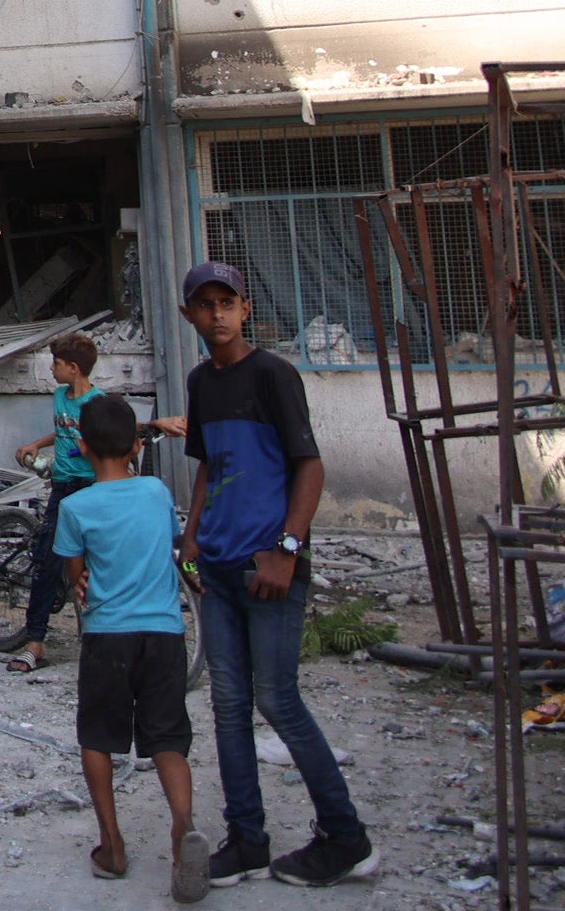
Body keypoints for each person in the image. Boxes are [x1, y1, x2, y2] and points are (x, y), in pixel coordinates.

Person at [179, 262, 379, 889]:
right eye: (204, 304)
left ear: (245, 309)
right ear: (189, 315)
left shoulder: (274, 375)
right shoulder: (199, 383)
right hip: (218, 565)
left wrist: (287, 549)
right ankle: (247, 840)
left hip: (269, 567)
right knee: (229, 705)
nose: (216, 314)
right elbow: (210, 464)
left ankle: (346, 838)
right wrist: (190, 534)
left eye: (227, 302)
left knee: (277, 699)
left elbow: (309, 466)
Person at [54, 393, 208, 901]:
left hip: (107, 636)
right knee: (166, 737)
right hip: (164, 634)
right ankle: (183, 826)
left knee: (98, 736)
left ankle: (112, 845)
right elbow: (168, 546)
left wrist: (80, 580)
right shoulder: (156, 493)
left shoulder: (76, 507)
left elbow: (75, 575)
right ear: (137, 444)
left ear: (81, 444)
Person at [14, 333, 191, 671]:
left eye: (57, 364)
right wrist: (38, 443)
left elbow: (115, 430)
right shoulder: (60, 396)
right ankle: (35, 641)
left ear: (74, 368)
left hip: (90, 484)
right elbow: (65, 431)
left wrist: (156, 424)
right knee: (47, 563)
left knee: (98, 560)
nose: (52, 369)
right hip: (63, 486)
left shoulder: (97, 404)